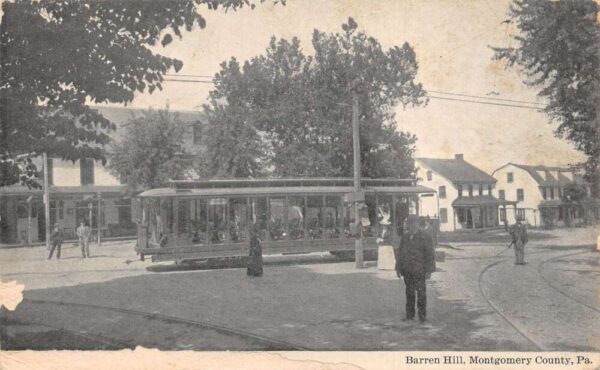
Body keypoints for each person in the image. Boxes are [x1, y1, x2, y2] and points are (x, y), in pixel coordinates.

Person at [395, 216, 436, 322]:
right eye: (408, 224)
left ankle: (422, 315)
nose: (409, 226)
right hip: (407, 270)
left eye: (411, 224)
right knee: (409, 292)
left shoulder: (425, 236)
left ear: (416, 224)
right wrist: (398, 268)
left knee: (421, 292)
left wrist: (429, 270)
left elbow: (430, 254)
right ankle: (410, 315)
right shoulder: (405, 237)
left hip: (420, 270)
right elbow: (400, 253)